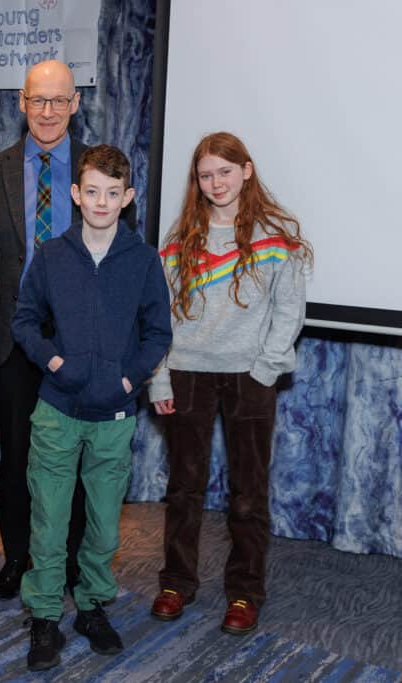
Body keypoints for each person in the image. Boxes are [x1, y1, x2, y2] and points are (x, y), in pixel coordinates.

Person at [0, 60, 136, 601]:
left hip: (80, 340)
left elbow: (122, 261)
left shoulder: (101, 171)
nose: (47, 111)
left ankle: (70, 561)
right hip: (13, 339)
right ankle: (18, 557)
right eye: (37, 100)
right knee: (19, 455)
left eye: (58, 101)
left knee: (82, 455)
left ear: (75, 103)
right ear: (21, 102)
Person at [12, 145, 171, 671]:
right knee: (49, 520)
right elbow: (25, 321)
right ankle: (42, 618)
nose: (102, 202)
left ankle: (92, 606)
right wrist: (55, 363)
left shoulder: (144, 261)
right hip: (56, 412)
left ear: (127, 198)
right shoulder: (53, 256)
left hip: (114, 417)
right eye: (92, 192)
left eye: (113, 193)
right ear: (76, 195)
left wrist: (129, 377)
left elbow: (157, 332)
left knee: (103, 524)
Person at [148, 132, 312, 635]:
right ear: (196, 181)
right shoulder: (178, 243)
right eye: (205, 174)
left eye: (224, 171)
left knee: (247, 494)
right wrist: (160, 380)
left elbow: (289, 311)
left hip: (250, 379)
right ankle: (176, 582)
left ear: (246, 170)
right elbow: (157, 318)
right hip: (187, 375)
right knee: (184, 490)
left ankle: (244, 593)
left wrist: (266, 368)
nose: (215, 182)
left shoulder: (277, 239)